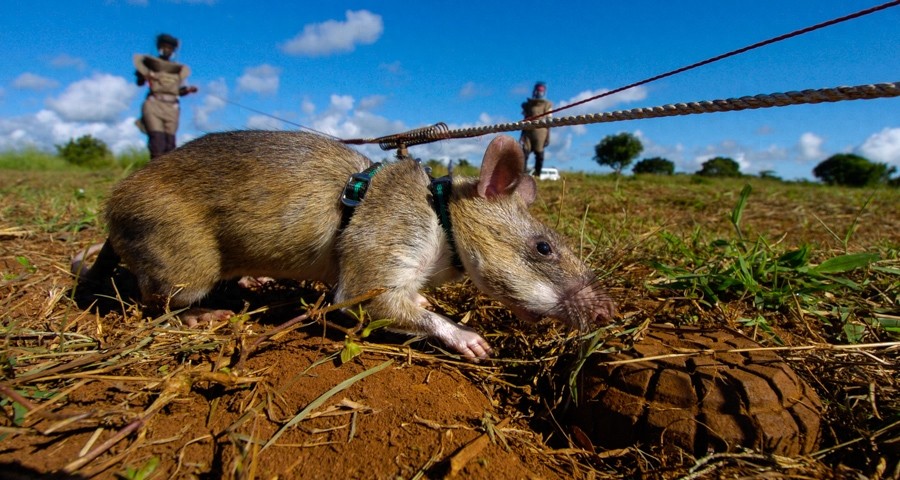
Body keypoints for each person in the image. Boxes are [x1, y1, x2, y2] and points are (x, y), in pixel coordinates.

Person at [133, 33, 198, 159]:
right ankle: (153, 176)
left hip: (172, 108)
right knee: (157, 141)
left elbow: (178, 91)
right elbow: (140, 82)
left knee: (170, 144)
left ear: (173, 50)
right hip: (154, 105)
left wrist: (189, 90)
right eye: (164, 47)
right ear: (159, 48)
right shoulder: (150, 66)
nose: (167, 50)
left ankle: (167, 176)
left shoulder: (177, 71)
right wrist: (143, 75)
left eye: (170, 48)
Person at [519, 81, 553, 176]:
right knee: (524, 153)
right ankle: (522, 174)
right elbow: (525, 119)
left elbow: (549, 121)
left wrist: (548, 136)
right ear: (534, 91)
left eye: (542, 90)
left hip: (541, 132)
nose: (539, 92)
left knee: (539, 154)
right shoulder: (528, 105)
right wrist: (522, 134)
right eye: (538, 90)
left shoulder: (547, 105)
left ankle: (538, 174)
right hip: (528, 131)